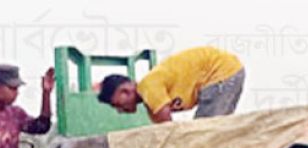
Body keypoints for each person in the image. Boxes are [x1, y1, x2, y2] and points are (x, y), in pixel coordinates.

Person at [97, 46, 245, 123]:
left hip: (221, 72)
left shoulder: (148, 87)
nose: (120, 110)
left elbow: (169, 132)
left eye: (117, 104)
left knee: (205, 132)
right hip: (225, 73)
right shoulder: (151, 104)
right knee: (208, 131)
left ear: (125, 91)